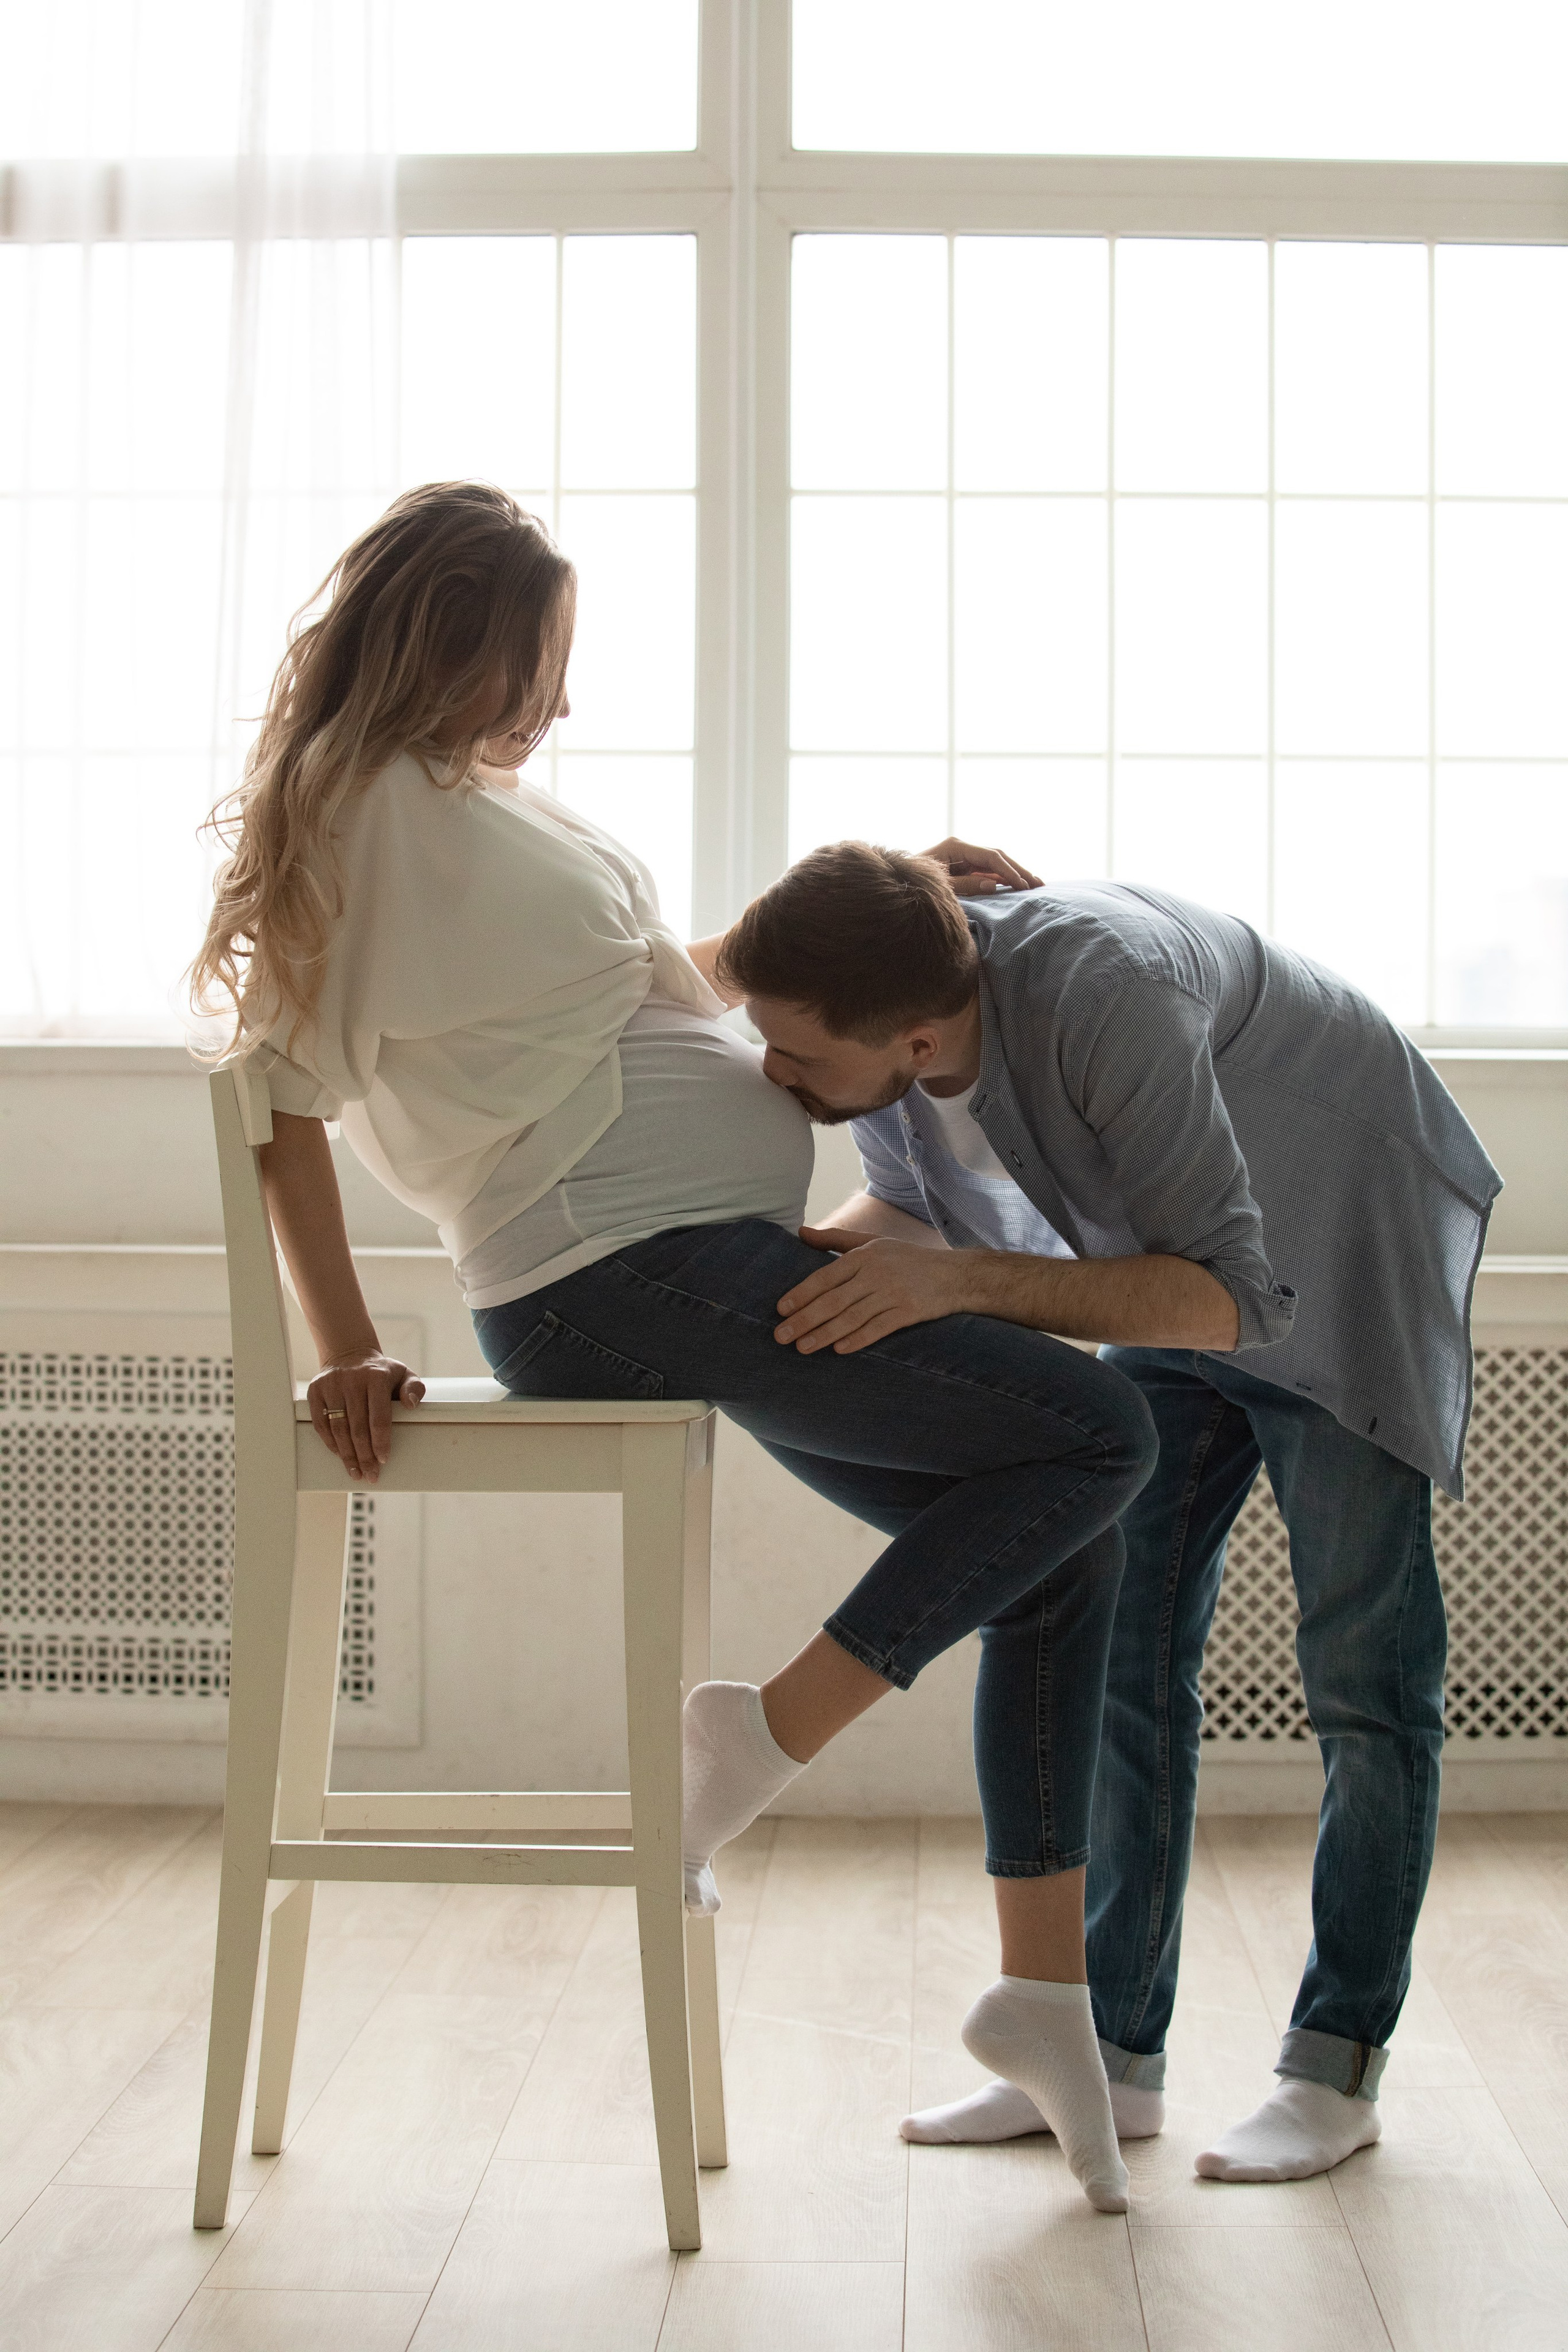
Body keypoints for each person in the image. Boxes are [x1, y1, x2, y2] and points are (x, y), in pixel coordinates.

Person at [189, 480, 1167, 2217]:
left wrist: (892, 900)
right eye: (541, 664)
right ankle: (746, 1746)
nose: (557, 704)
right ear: (460, 639)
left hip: (683, 1261)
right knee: (1098, 1438)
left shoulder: (484, 812)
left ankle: (1042, 2000)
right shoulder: (360, 817)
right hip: (608, 1276)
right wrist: (335, 1342)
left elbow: (664, 1008)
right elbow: (277, 1101)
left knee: (1060, 1538)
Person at [722, 839, 1501, 2185]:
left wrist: (961, 1286)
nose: (772, 1078)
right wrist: (748, 1288)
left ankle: (1333, 2068)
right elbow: (906, 1217)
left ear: (908, 1033)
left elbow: (1230, 1299)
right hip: (1172, 1255)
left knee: (1365, 1682)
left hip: (1326, 1247)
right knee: (1123, 1665)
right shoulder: (893, 1010)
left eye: (794, 1057)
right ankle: (1110, 2057)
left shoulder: (1100, 994)